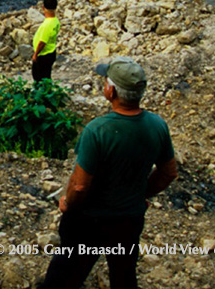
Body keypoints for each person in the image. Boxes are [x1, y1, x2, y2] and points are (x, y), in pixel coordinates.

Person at [38, 57, 178, 289]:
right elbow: (168, 172)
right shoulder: (157, 125)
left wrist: (68, 204)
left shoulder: (98, 130)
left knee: (64, 277)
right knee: (123, 275)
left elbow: (80, 186)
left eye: (105, 82)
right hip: (129, 221)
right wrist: (139, 194)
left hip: (89, 220)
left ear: (111, 90)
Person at [31, 0, 60, 84]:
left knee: (39, 77)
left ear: (43, 8)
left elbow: (42, 42)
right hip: (51, 52)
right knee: (46, 75)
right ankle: (48, 92)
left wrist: (36, 54)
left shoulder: (47, 25)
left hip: (43, 55)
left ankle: (43, 95)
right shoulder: (55, 21)